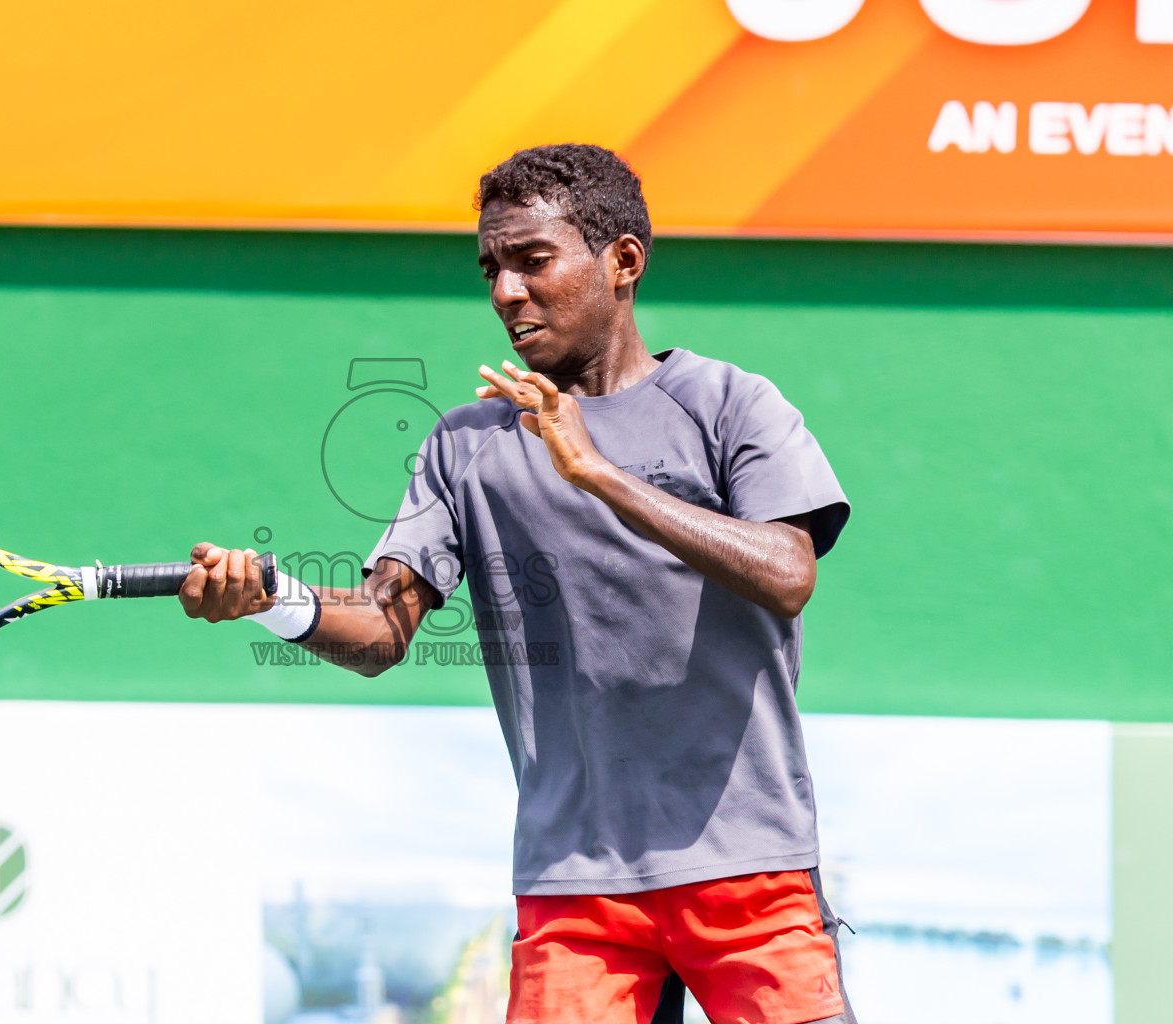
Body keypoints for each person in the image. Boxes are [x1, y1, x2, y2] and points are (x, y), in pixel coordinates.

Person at [180, 144, 854, 1024]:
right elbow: (382, 633)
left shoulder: (733, 404)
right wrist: (273, 602)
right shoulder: (462, 445)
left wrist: (599, 472)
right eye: (491, 267)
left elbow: (786, 572)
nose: (504, 291)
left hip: (748, 869)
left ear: (622, 262)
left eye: (532, 261)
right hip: (574, 890)